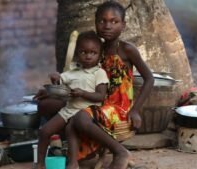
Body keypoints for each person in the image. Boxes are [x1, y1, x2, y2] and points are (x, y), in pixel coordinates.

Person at [35, 1, 154, 169]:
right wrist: (52, 91)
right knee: (45, 105)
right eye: (102, 21)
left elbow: (150, 79)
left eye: (114, 21)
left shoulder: (127, 50)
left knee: (80, 116)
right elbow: (79, 77)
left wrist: (135, 110)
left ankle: (119, 151)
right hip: (92, 100)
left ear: (123, 25)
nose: (107, 26)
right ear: (96, 23)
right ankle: (72, 149)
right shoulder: (94, 48)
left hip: (116, 107)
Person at [36, 30, 109, 169]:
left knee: (71, 129)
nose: (88, 56)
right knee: (44, 131)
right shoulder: (72, 72)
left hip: (88, 112)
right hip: (69, 110)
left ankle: (73, 163)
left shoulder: (99, 73)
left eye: (93, 53)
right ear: (77, 54)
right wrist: (55, 78)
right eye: (83, 52)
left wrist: (82, 93)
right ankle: (40, 163)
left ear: (99, 55)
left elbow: (100, 96)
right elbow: (59, 86)